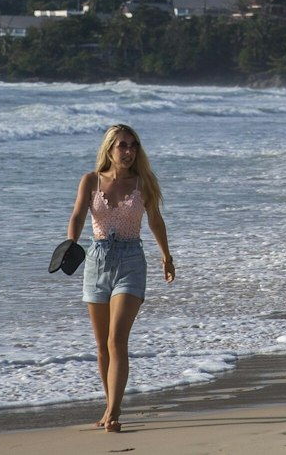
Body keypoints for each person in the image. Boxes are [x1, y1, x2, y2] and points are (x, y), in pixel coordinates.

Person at [66, 124, 176, 433]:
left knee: (117, 340)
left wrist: (167, 257)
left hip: (131, 262)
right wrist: (70, 244)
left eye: (133, 146)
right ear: (109, 149)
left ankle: (114, 412)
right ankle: (109, 402)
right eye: (122, 146)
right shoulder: (90, 180)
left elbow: (155, 221)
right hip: (96, 262)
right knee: (102, 345)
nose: (128, 151)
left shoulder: (144, 183)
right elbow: (76, 216)